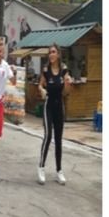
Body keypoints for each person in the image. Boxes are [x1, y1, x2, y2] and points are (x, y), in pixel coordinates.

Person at [37, 44, 71, 185]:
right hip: (48, 105)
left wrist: (68, 84)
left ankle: (59, 171)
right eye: (49, 52)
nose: (51, 54)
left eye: (53, 52)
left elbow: (66, 93)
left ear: (58, 54)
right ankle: (41, 167)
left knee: (58, 139)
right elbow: (40, 85)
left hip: (59, 106)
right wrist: (42, 90)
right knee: (48, 135)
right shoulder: (46, 70)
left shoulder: (64, 70)